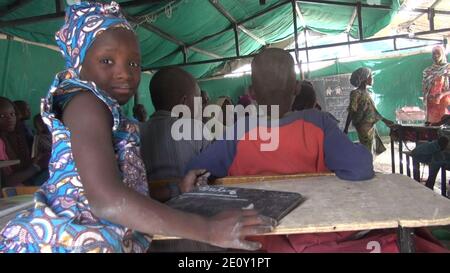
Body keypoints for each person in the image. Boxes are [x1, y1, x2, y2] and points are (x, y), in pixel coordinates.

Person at [0, 2, 275, 253]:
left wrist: (176, 190)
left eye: (133, 63)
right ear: (78, 63)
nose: (124, 72)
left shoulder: (112, 115)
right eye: (107, 61)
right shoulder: (85, 104)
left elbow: (120, 190)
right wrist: (209, 229)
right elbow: (107, 200)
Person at [186, 48, 448, 253]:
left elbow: (192, 173)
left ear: (252, 93)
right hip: (314, 235)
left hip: (255, 241)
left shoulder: (236, 131)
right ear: (297, 88)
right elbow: (360, 167)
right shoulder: (317, 123)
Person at [140, 67, 211, 185]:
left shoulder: (136, 133)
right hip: (190, 200)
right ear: (183, 102)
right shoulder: (197, 129)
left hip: (146, 201)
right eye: (197, 99)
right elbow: (213, 171)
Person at [343, 67, 394, 156]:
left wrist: (384, 120)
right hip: (364, 128)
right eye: (370, 76)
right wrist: (346, 128)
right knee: (367, 152)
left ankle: (368, 168)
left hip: (371, 127)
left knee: (371, 151)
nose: (372, 79)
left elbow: (372, 111)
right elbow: (352, 110)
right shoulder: (356, 93)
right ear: (364, 79)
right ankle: (367, 168)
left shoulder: (367, 93)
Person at [0, 97, 43, 187]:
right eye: (2, 116)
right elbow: (6, 182)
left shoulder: (10, 137)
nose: (10, 119)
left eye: (12, 114)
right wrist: (36, 167)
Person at [423, 45, 450, 124]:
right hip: (431, 104)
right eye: (433, 54)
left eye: (438, 53)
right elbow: (425, 88)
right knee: (432, 128)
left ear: (443, 54)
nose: (435, 56)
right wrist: (428, 95)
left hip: (445, 103)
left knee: (444, 127)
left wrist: (442, 94)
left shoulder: (448, 69)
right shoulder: (428, 71)